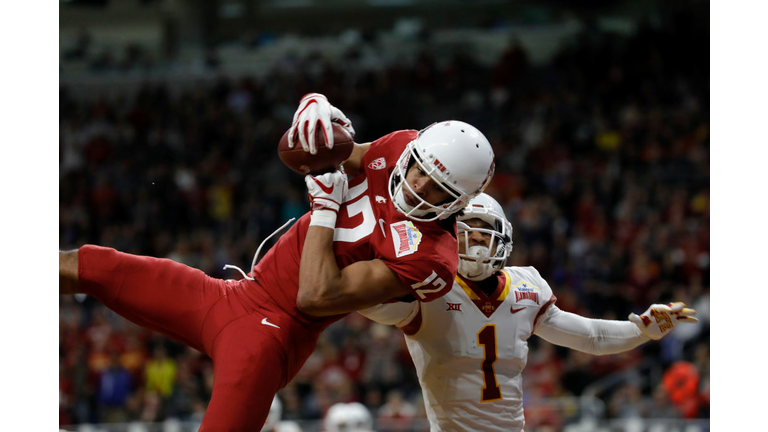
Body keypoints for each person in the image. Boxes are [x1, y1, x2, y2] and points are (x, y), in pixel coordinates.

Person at [58, 92, 496, 431]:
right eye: (418, 167)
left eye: (436, 187)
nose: (417, 184)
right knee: (91, 265)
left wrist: (325, 210)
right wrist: (316, 108)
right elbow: (331, 151)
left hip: (272, 336)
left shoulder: (431, 257)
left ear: (461, 199)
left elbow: (315, 295)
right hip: (233, 294)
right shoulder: (400, 147)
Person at [359, 193, 698, 432]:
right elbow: (362, 299)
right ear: (449, 238)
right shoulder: (428, 286)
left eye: (483, 234)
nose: (475, 243)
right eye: (466, 234)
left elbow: (592, 337)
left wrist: (642, 331)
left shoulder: (526, 287)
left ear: (502, 239)